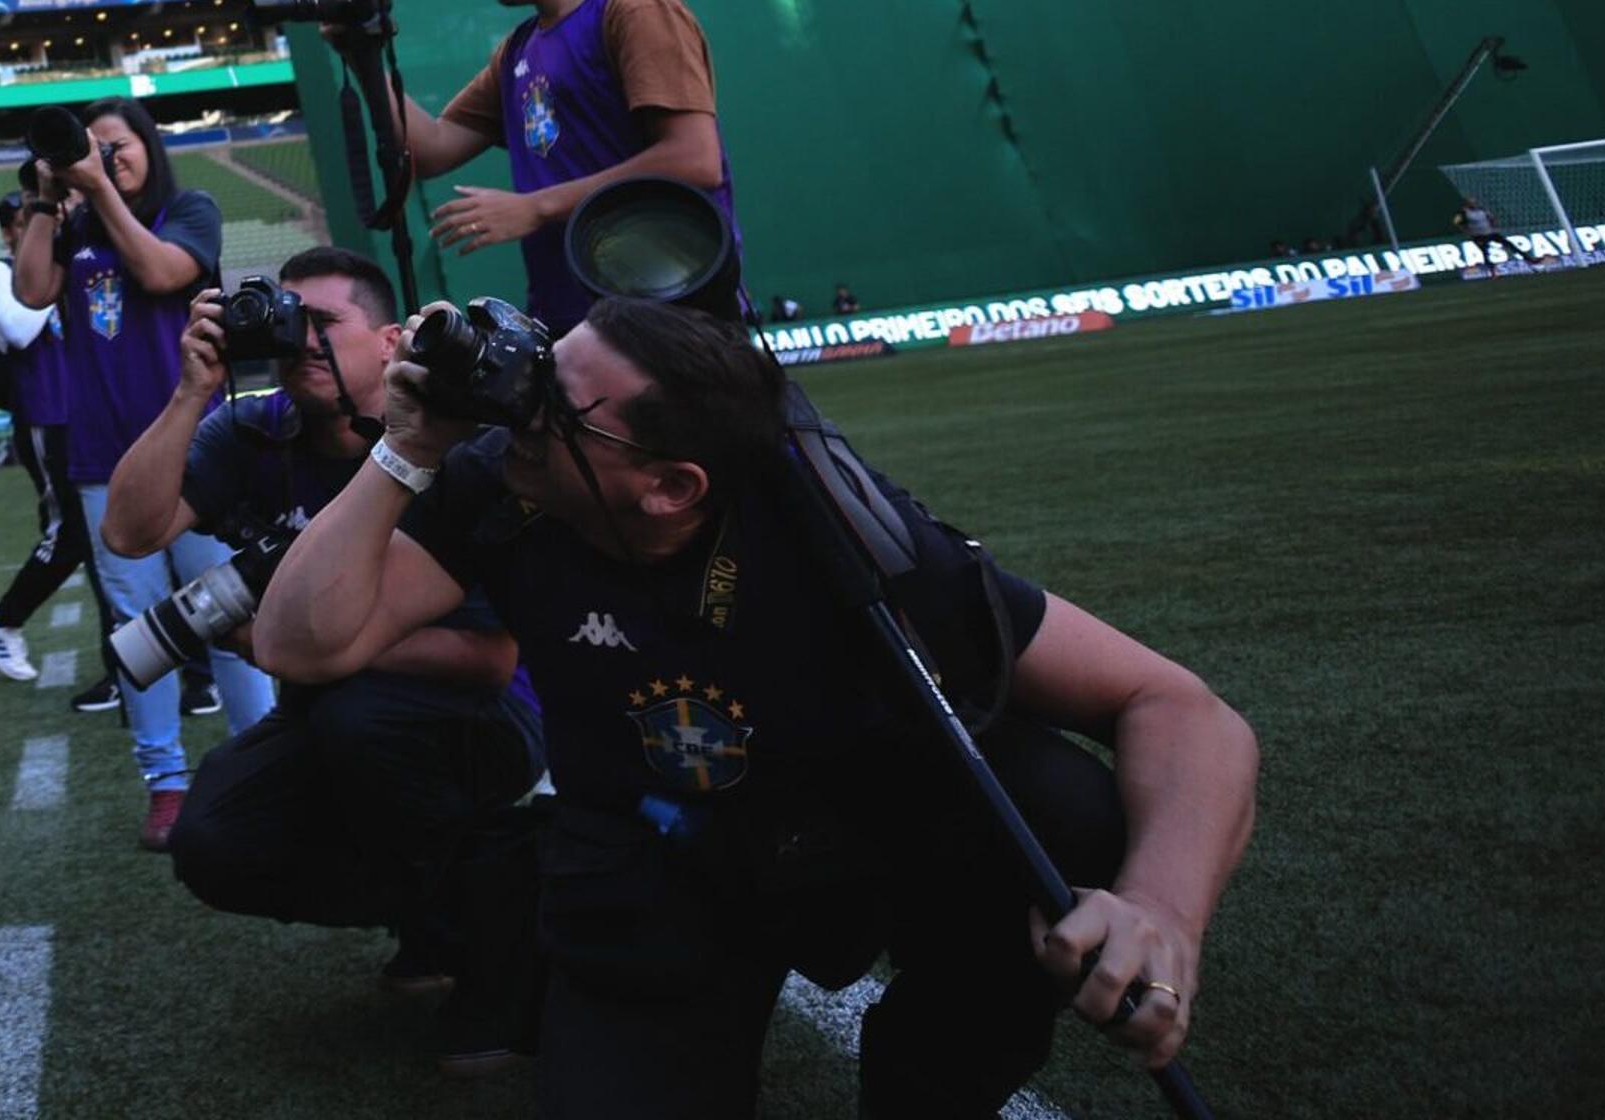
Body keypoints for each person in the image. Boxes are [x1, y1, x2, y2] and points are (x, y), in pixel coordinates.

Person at [260, 294, 1259, 1117]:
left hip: (862, 833)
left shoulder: (844, 538)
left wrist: (1164, 912)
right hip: (653, 862)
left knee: (1059, 801)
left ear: (669, 488)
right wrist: (403, 454)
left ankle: (930, 1076)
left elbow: (1175, 705)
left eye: (559, 403)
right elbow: (300, 642)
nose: (522, 410)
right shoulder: (502, 484)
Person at [107, 249, 540, 1071]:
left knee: (359, 720)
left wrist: (316, 647)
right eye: (288, 319)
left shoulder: (454, 443)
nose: (302, 339)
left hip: (488, 719)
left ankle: (499, 948)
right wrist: (191, 389)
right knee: (214, 841)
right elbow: (131, 532)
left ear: (388, 344)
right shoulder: (254, 431)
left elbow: (491, 661)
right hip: (334, 714)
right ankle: (440, 913)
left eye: (326, 324)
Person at [9, 97, 237, 848]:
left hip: (201, 454)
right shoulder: (72, 224)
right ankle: (166, 783)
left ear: (149, 146)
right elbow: (30, 292)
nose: (108, 157)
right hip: (104, 458)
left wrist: (97, 188)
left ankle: (263, 757)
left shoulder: (188, 209)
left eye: (120, 144)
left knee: (227, 615)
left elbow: (163, 272)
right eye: (95, 147)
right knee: (142, 632)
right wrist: (48, 198)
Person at [387, 0, 732, 332]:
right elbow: (431, 150)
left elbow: (695, 159)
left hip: (671, 308)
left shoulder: (631, 5)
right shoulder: (517, 49)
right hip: (573, 317)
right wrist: (366, 54)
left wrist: (535, 207)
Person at [0, 190, 78, 686]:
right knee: (68, 530)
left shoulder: (75, 262)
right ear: (9, 232)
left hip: (86, 414)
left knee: (97, 534)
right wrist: (54, 278)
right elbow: (19, 331)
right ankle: (2, 620)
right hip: (46, 415)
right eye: (26, 221)